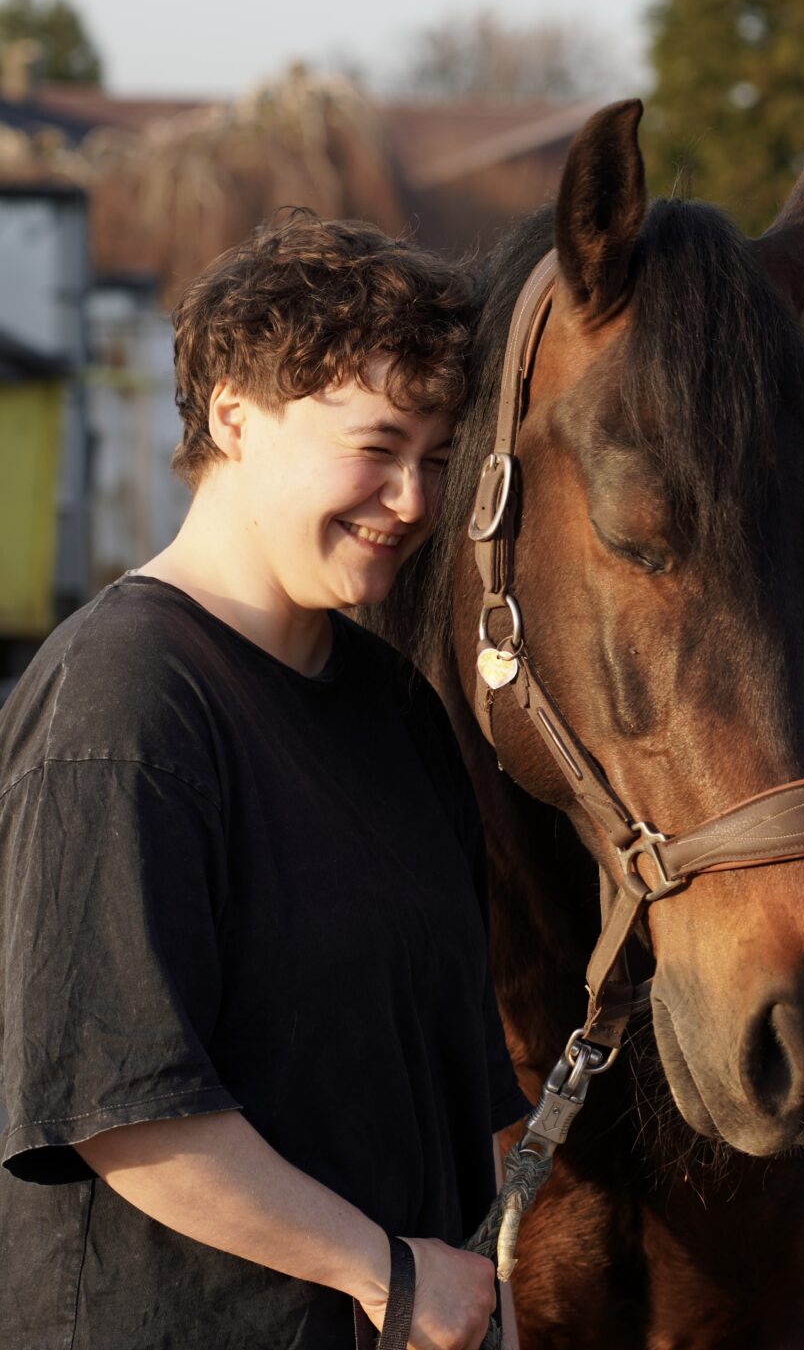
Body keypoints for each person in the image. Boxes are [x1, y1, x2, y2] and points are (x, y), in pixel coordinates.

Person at [0, 211, 529, 1350]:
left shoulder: (396, 712)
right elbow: (119, 1107)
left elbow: (457, 1079)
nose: (414, 500)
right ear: (233, 415)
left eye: (438, 458)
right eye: (378, 445)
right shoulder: (122, 705)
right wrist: (388, 1274)